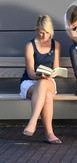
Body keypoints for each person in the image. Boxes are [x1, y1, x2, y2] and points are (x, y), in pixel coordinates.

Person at [20, 15, 62, 144]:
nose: (44, 36)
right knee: (47, 96)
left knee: (44, 84)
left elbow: (56, 68)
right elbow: (31, 72)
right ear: (37, 30)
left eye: (47, 33)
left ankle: (32, 122)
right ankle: (49, 134)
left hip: (48, 80)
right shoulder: (30, 45)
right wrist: (40, 76)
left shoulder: (56, 45)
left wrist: (52, 74)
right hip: (30, 82)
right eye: (42, 32)